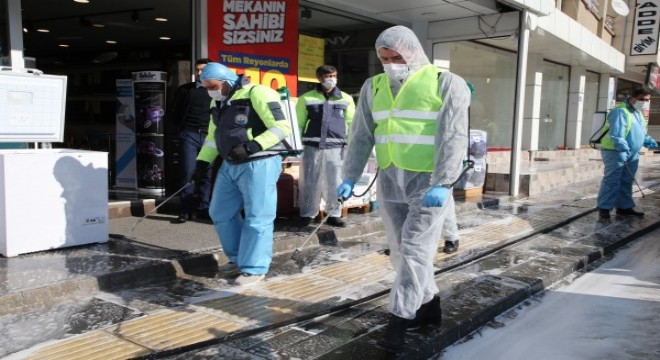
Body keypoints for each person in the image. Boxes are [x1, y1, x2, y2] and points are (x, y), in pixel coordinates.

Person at [336, 25, 470, 351]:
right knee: (399, 252)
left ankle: (399, 319)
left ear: (413, 52)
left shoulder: (445, 82)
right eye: (384, 58)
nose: (390, 62)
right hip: (389, 179)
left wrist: (444, 181)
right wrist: (349, 176)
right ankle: (429, 304)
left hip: (427, 182)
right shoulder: (374, 86)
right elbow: (361, 135)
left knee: (414, 250)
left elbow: (455, 137)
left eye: (397, 56)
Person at [195, 62, 291, 287]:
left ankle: (254, 268)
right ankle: (238, 258)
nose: (211, 90)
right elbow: (212, 136)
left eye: (213, 85)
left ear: (227, 82)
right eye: (206, 87)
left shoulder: (258, 93)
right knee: (220, 211)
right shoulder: (217, 102)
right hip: (231, 163)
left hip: (260, 162)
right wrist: (202, 162)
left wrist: (252, 147)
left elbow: (281, 127)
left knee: (258, 216)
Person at [296, 65, 355, 228]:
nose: (331, 79)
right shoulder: (306, 98)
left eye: (334, 75)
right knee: (309, 181)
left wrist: (351, 145)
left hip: (337, 147)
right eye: (328, 76)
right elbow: (298, 123)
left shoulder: (346, 98)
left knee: (334, 181)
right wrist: (296, 145)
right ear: (319, 78)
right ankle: (307, 214)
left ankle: (333, 214)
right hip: (311, 146)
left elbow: (352, 123)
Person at [596, 87, 657, 219]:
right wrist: (623, 150)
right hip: (616, 152)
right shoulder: (620, 111)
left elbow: (639, 131)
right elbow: (617, 135)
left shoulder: (637, 112)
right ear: (633, 97)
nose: (645, 102)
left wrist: (647, 140)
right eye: (642, 99)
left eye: (647, 100)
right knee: (612, 180)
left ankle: (624, 207)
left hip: (632, 153)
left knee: (626, 180)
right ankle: (604, 208)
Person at [168, 58, 214, 223]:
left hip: (210, 136)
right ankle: (185, 210)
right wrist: (179, 132)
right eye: (197, 70)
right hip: (190, 135)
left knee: (207, 174)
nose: (199, 73)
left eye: (203, 70)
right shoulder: (185, 90)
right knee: (187, 172)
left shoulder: (217, 91)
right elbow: (173, 112)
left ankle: (204, 208)